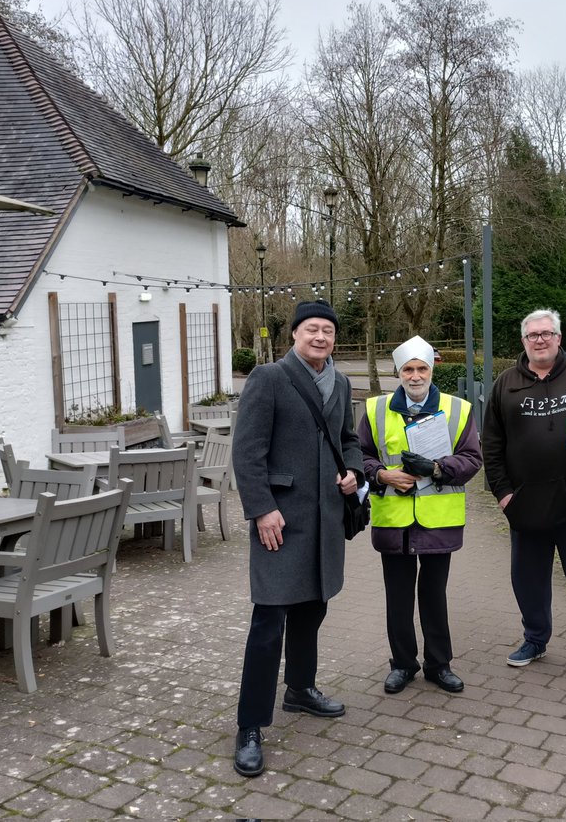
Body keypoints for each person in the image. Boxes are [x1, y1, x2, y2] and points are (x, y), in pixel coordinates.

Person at [230, 300, 364, 778]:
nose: (321, 338)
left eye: (328, 330)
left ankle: (300, 690)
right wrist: (263, 509)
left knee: (314, 608)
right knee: (269, 622)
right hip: (280, 522)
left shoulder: (342, 382)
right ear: (294, 334)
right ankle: (249, 725)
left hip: (326, 519)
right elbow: (246, 452)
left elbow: (349, 440)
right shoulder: (268, 378)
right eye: (312, 329)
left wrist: (354, 472)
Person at [481, 308, 566, 679]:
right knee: (527, 578)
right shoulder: (505, 384)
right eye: (532, 336)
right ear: (523, 341)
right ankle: (535, 638)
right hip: (525, 503)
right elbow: (492, 445)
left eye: (546, 334)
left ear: (559, 338)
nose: (540, 340)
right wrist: (503, 494)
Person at [358, 335, 483, 695]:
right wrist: (383, 475)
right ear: (398, 372)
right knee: (397, 597)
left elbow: (472, 458)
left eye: (422, 368)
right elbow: (359, 455)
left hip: (438, 519)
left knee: (434, 594)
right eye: (408, 369)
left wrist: (438, 468)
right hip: (394, 519)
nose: (415, 376)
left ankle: (439, 664)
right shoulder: (375, 409)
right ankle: (402, 664)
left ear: (431, 370)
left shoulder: (457, 408)